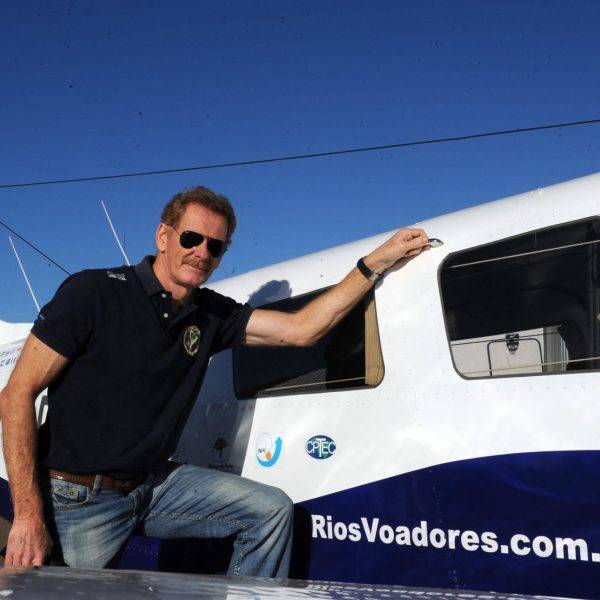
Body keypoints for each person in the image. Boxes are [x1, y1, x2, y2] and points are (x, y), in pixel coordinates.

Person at [0, 186, 430, 574]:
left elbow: (302, 330)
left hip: (152, 484)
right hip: (80, 496)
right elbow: (16, 394)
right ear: (164, 236)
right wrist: (28, 516)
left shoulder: (211, 314)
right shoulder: (93, 293)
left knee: (270, 511)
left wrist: (373, 264)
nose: (202, 252)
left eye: (215, 246)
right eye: (191, 238)